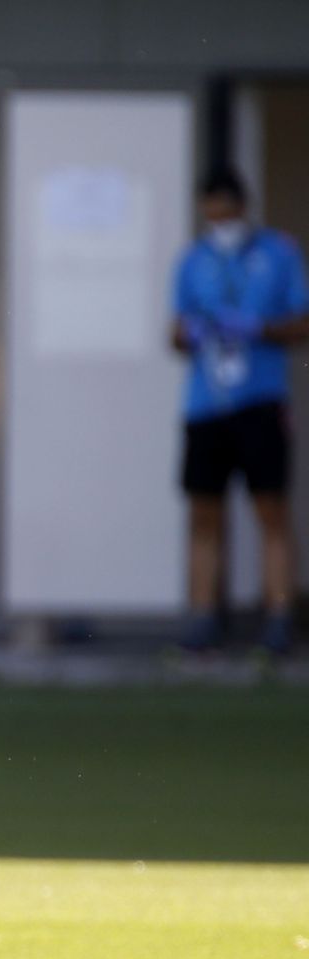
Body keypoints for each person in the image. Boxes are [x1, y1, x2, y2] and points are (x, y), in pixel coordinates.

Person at [169, 167, 309, 655]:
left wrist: (257, 328)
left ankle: (277, 614)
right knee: (204, 511)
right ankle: (204, 614)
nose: (220, 220)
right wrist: (195, 333)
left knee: (270, 507)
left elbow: (302, 321)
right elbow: (174, 332)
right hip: (207, 403)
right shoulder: (193, 260)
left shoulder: (278, 253)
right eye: (212, 211)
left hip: (260, 399)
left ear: (242, 207)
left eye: (227, 210)